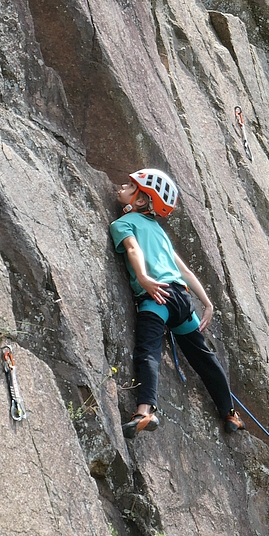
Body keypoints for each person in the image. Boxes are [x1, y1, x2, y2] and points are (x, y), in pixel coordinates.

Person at [110, 168, 245, 438]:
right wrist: (206, 302)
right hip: (182, 299)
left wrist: (144, 278)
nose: (121, 186)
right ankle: (230, 413)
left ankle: (145, 411)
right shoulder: (159, 232)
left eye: (129, 185)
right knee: (203, 357)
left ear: (138, 201)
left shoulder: (122, 223)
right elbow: (184, 271)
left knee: (148, 351)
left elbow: (133, 249)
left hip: (156, 296)